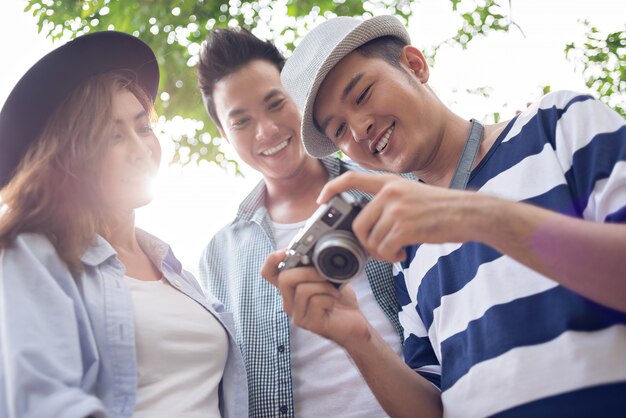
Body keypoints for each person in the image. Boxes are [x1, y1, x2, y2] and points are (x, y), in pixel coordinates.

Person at [262, 15, 626, 418]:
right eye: (339, 131)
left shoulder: (557, 122)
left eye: (363, 94)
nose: (359, 129)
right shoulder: (407, 248)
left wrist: (477, 215)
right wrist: (358, 339)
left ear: (415, 65)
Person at [0, 31, 247, 418]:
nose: (140, 148)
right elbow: (44, 402)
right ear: (71, 156)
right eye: (113, 136)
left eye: (143, 127)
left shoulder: (174, 268)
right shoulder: (33, 253)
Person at [196, 28, 406, 417]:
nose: (267, 131)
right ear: (225, 136)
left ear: (299, 97)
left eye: (276, 104)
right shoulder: (218, 257)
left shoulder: (388, 186)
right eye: (241, 122)